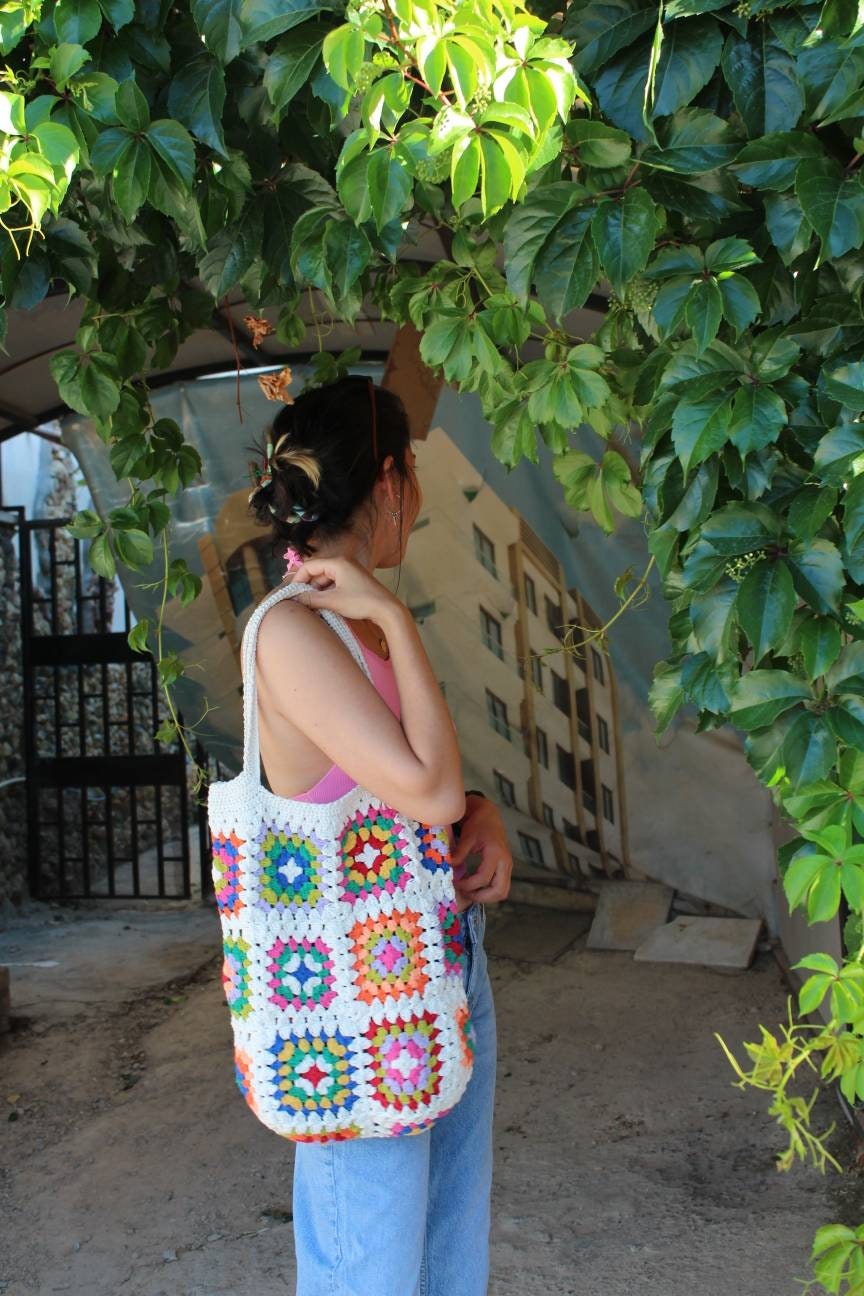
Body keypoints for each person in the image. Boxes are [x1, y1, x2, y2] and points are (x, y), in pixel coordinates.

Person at [245, 373, 514, 1296]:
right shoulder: (295, 633)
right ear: (392, 480)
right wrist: (397, 618)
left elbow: (425, 787)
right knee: (371, 1270)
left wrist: (479, 806)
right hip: (359, 1003)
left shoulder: (347, 625)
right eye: (419, 477)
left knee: (445, 1260)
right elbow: (425, 791)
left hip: (431, 970)